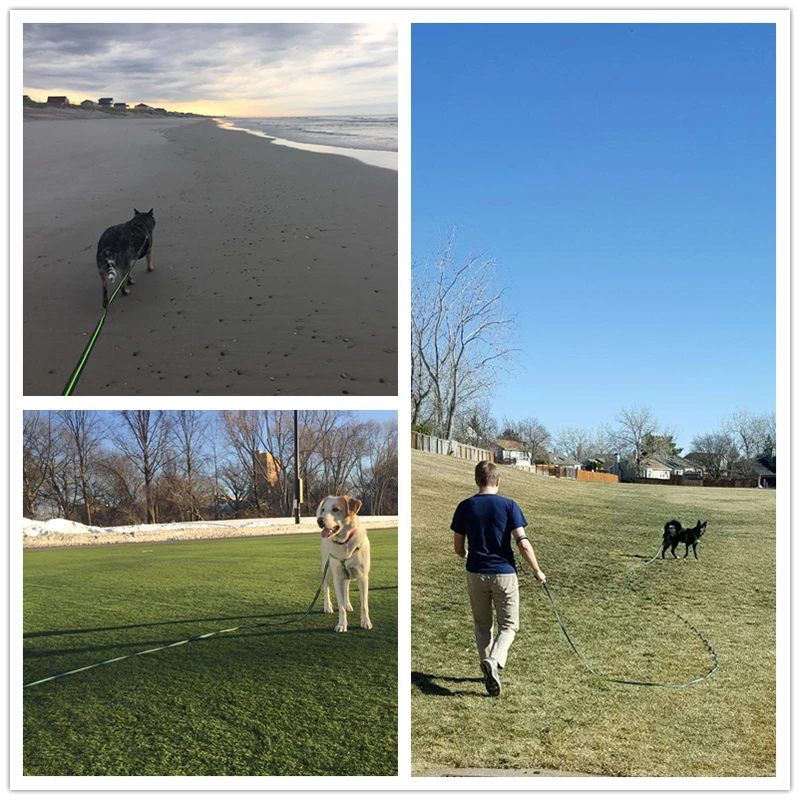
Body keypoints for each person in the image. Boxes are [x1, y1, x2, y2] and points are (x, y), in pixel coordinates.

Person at [451, 460, 546, 697]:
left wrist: (466, 555)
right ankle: (494, 661)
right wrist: (537, 570)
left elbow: (458, 547)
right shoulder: (509, 506)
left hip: (475, 572)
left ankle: (487, 669)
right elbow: (522, 543)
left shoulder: (465, 506)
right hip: (504, 573)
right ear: (498, 481)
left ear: (477, 480)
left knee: (483, 626)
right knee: (509, 625)